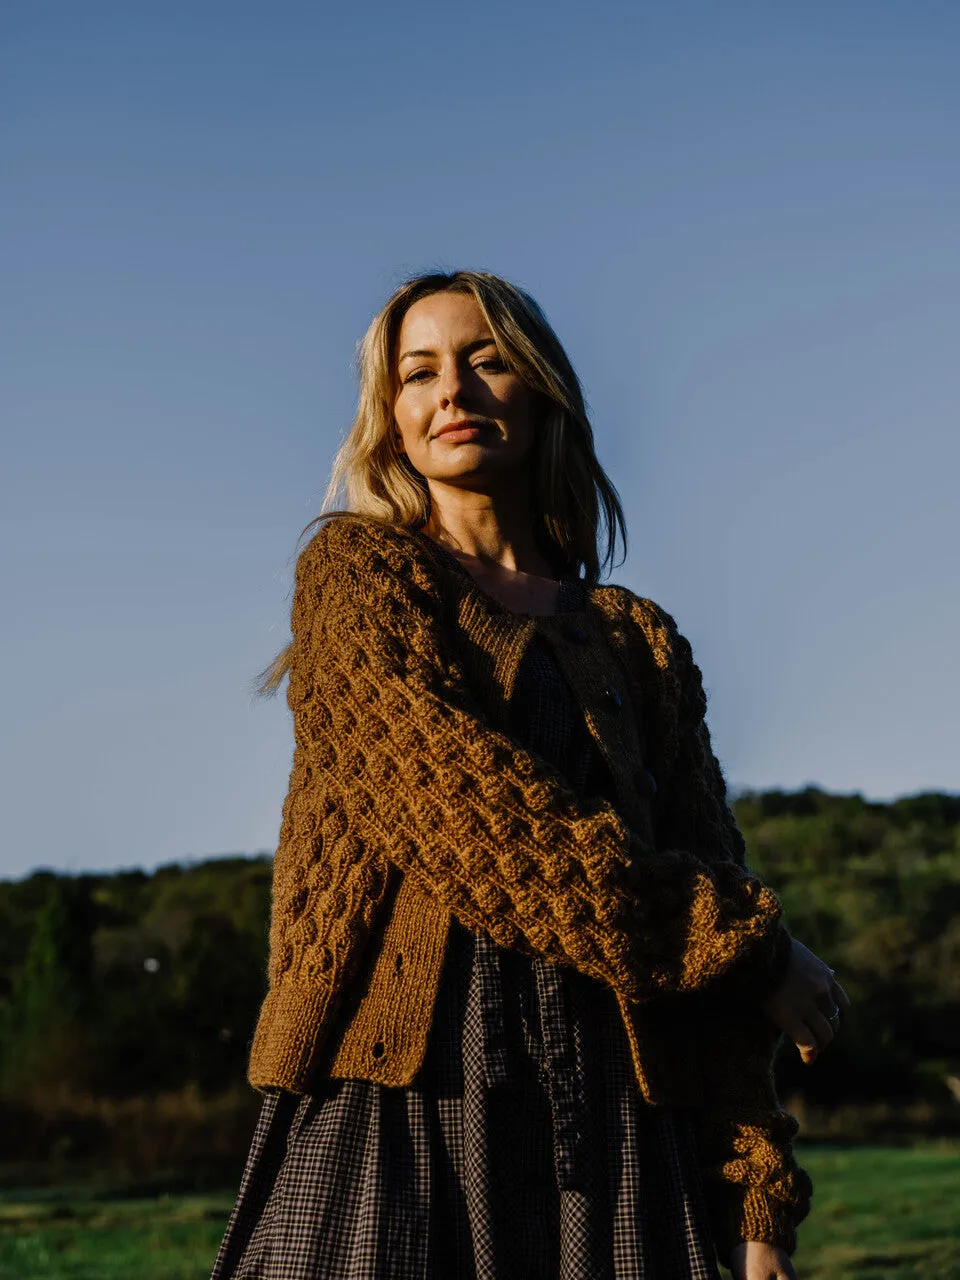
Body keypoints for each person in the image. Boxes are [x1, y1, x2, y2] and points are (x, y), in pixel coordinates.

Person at [211, 270, 849, 1280]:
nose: (451, 390)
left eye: (486, 360)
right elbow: (468, 817)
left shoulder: (638, 640)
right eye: (418, 373)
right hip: (405, 1098)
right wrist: (750, 944)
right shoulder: (357, 576)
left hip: (628, 1118)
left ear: (543, 390)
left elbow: (706, 875)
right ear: (393, 418)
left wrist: (756, 1186)